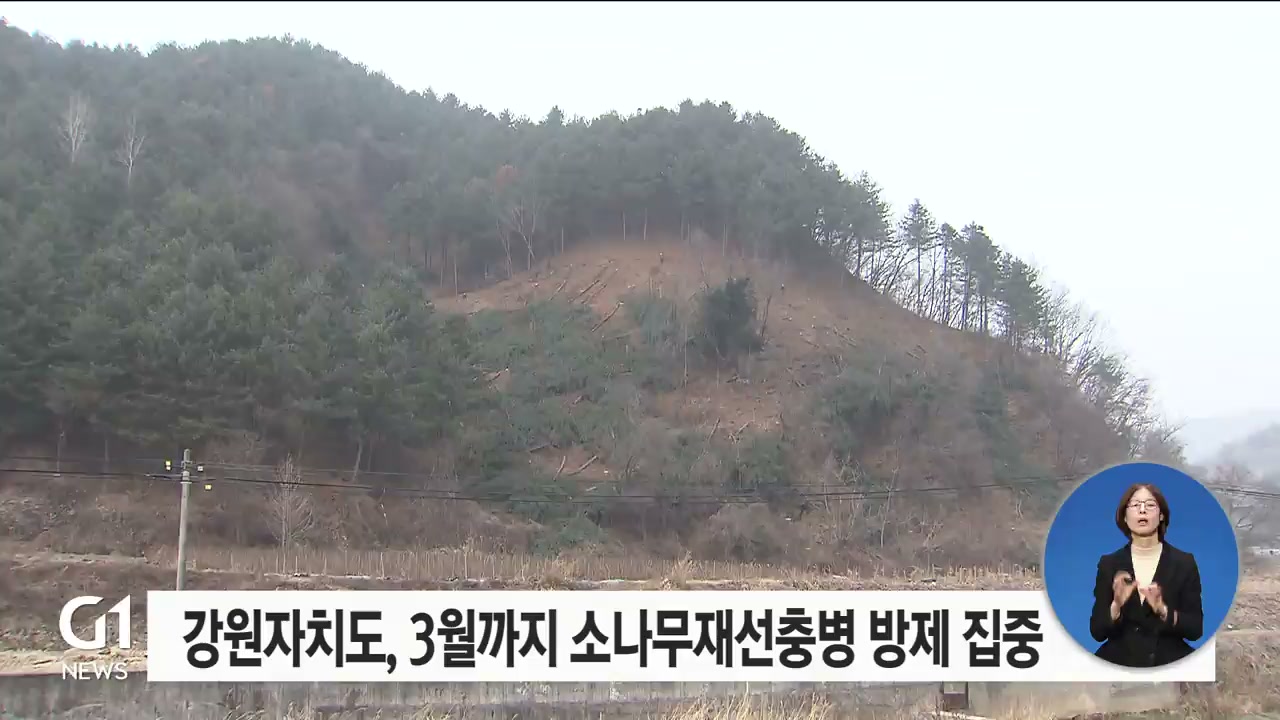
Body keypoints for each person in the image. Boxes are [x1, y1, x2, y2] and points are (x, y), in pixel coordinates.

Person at [1089, 482, 1204, 667]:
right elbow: (1097, 631)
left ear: (1161, 515)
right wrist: (1116, 605)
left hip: (1170, 663)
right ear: (1124, 517)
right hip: (1118, 664)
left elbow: (1195, 629)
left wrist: (1162, 610)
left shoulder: (1184, 563)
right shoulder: (1109, 564)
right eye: (1135, 505)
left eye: (1150, 505)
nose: (1142, 510)